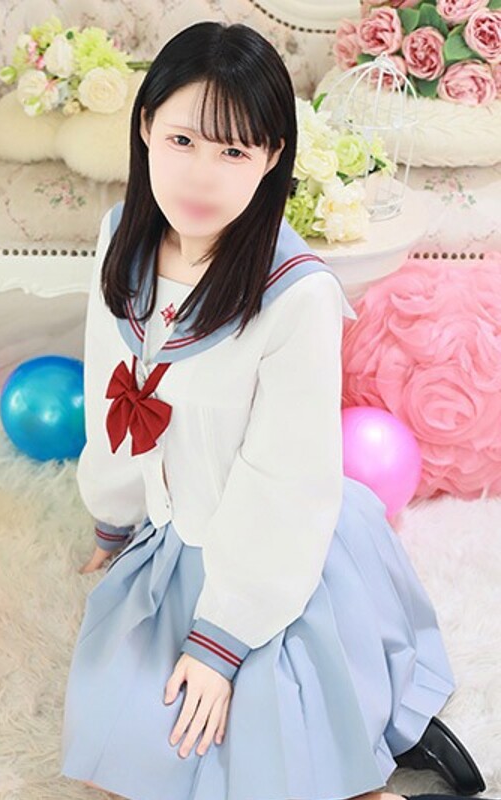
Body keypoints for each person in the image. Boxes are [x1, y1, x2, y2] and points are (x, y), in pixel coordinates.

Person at [60, 20, 487, 800]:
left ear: (272, 157)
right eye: (183, 140)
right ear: (145, 126)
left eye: (234, 152)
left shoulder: (297, 295)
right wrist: (114, 521)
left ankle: (381, 739)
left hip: (276, 548)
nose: (202, 176)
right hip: (179, 534)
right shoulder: (122, 239)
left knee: (275, 761)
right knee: (120, 758)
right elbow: (109, 388)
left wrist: (222, 639)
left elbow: (284, 480)